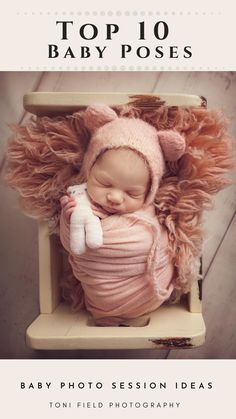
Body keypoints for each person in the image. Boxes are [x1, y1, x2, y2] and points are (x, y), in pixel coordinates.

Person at [59, 104, 186, 326]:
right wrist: (69, 222)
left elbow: (155, 242)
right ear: (88, 172)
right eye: (104, 183)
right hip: (102, 296)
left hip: (149, 291)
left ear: (149, 193)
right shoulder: (79, 202)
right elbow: (71, 244)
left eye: (132, 193)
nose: (116, 197)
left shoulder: (148, 215)